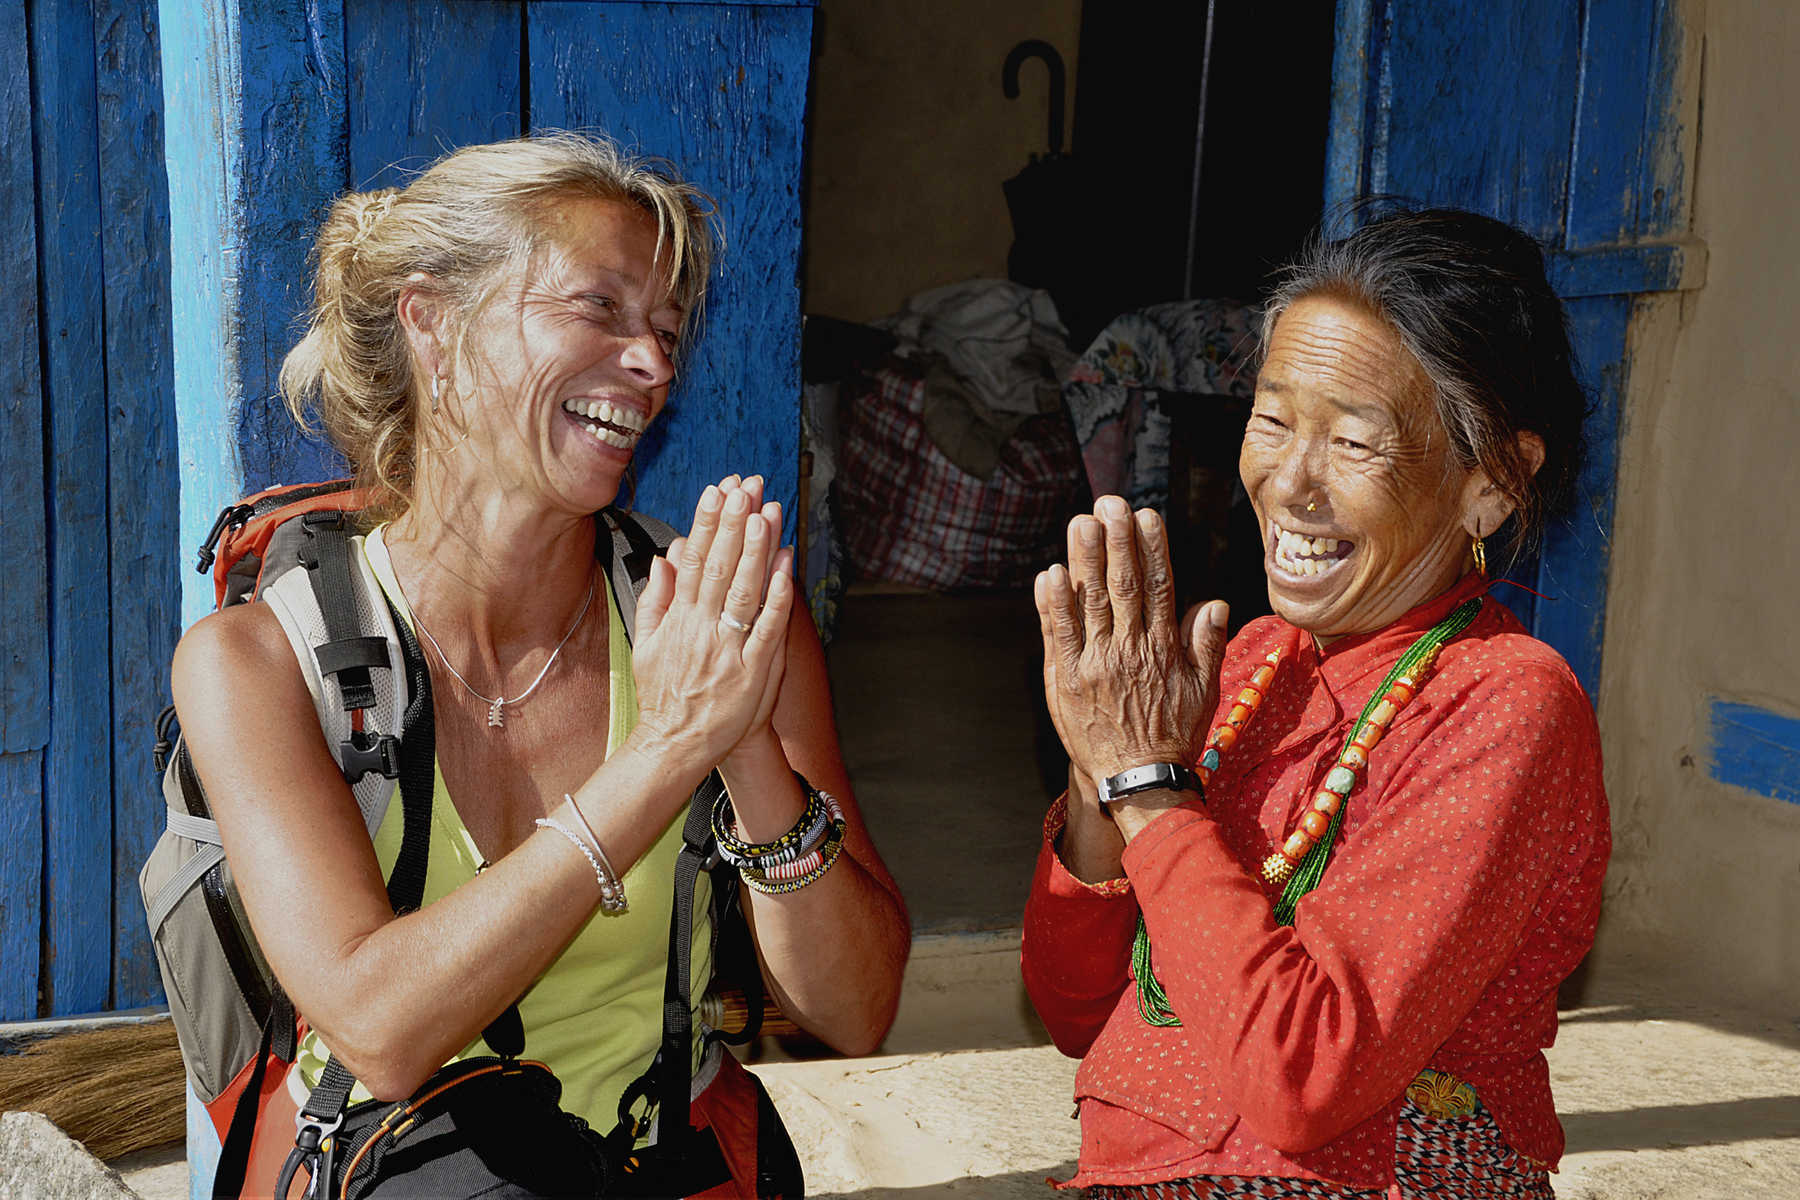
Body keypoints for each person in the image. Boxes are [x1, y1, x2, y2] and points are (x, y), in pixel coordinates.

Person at [170, 132, 909, 1197]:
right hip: (401, 1164)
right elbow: (382, 1030)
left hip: (662, 1162)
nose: (652, 366)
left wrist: (746, 747)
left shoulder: (712, 621)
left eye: (663, 330)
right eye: (598, 309)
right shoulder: (257, 660)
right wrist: (668, 748)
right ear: (433, 325)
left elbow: (855, 1008)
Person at [1023, 208, 1610, 1198]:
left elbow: (1303, 1078)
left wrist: (1152, 790)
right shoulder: (1254, 666)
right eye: (1272, 420)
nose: (1289, 481)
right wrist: (1102, 780)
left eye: (1352, 440)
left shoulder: (1510, 706)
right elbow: (1076, 1009)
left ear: (1491, 487)